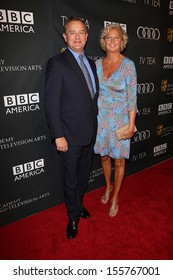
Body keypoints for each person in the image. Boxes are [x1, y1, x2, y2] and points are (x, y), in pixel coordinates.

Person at [44, 16, 99, 239]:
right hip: (69, 136)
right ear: (65, 36)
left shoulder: (91, 63)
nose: (77, 37)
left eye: (81, 33)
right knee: (71, 178)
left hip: (89, 132)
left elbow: (91, 99)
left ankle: (78, 204)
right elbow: (51, 103)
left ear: (86, 37)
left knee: (84, 176)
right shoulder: (57, 63)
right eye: (72, 33)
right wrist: (58, 135)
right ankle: (73, 216)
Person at [94, 23, 137, 217]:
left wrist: (130, 125)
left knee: (119, 162)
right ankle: (107, 186)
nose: (112, 41)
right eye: (108, 37)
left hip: (120, 121)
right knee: (104, 157)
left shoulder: (128, 66)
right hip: (101, 120)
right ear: (104, 41)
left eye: (116, 37)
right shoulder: (95, 64)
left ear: (122, 42)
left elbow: (132, 98)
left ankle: (116, 196)